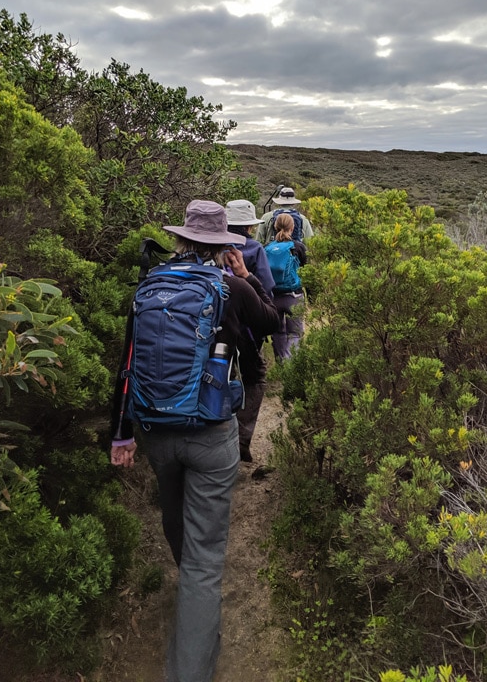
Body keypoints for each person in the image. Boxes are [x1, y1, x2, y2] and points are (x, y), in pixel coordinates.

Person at [110, 200, 279, 682]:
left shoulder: (150, 285)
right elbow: (270, 322)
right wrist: (249, 276)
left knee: (173, 516)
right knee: (206, 561)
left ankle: (190, 595)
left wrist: (122, 433)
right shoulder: (231, 285)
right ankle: (192, 662)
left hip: (155, 431)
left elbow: (128, 362)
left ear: (182, 239)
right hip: (210, 435)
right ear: (224, 245)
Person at [226, 199, 275, 463]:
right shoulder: (254, 249)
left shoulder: (213, 247)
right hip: (246, 331)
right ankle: (241, 439)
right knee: (255, 378)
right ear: (248, 226)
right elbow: (267, 286)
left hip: (214, 329)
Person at [268, 212, 308, 362]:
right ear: (292, 228)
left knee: (278, 332)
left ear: (275, 227)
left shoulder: (267, 248)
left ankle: (280, 363)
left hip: (274, 296)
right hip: (294, 296)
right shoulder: (298, 247)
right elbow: (307, 271)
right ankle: (290, 362)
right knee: (295, 332)